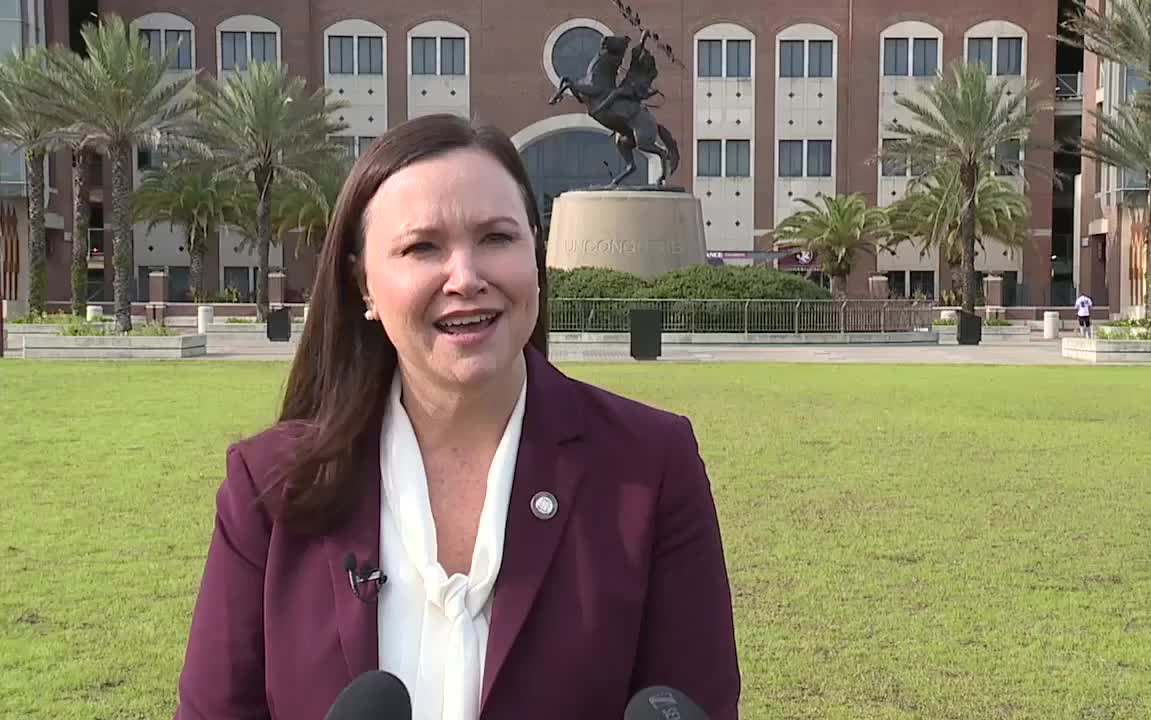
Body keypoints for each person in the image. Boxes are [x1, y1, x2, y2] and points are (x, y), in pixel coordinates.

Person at [173, 114, 740, 720]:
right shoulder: (269, 484)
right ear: (363, 284)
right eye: (423, 247)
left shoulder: (650, 466)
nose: (466, 278)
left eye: (497, 238)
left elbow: (693, 699)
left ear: (536, 258)